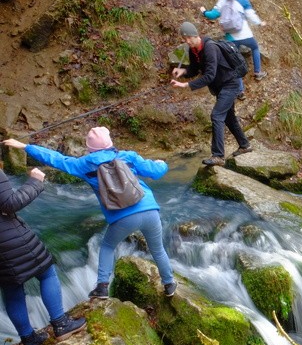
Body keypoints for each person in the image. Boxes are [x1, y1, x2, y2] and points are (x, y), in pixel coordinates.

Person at [3, 127, 178, 300]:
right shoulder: (127, 156)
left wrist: (26, 147)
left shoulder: (84, 164)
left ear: (89, 148)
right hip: (149, 209)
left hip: (121, 217)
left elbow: (56, 159)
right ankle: (169, 284)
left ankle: (102, 287)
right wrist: (162, 163)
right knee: (157, 249)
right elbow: (156, 172)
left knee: (108, 247)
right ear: (110, 142)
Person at [0, 164, 86, 345]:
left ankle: (29, 342)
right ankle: (61, 324)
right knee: (46, 272)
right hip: (10, 239)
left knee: (11, 288)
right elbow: (10, 203)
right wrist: (35, 182)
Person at [170, 21, 252, 167]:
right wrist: (183, 71)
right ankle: (245, 145)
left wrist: (186, 85)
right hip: (220, 87)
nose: (187, 41)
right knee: (228, 118)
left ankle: (218, 156)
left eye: (189, 37)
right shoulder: (193, 50)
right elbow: (195, 70)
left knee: (217, 115)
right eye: (185, 39)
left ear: (196, 35)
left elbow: (209, 76)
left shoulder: (210, 48)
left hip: (230, 84)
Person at [201, 0, 268, 92]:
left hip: (231, 38)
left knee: (234, 63)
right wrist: (259, 22)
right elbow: (251, 15)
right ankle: (257, 72)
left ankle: (240, 91)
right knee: (255, 48)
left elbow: (213, 15)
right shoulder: (243, 0)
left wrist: (204, 12)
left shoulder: (222, 1)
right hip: (246, 35)